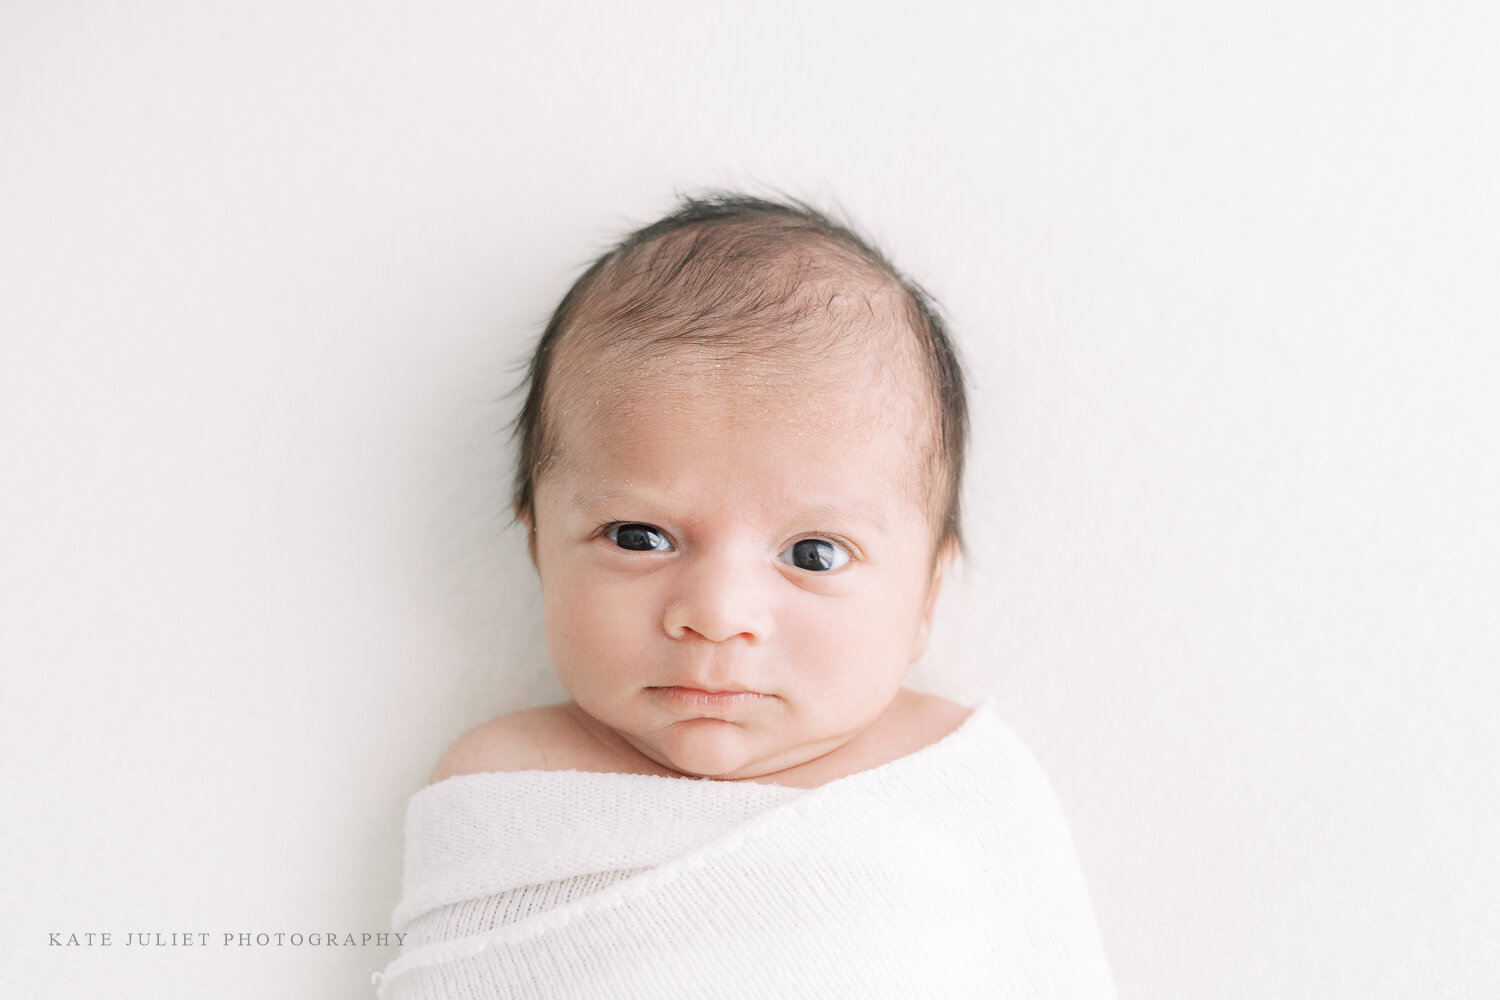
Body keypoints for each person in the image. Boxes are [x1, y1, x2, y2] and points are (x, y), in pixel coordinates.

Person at [374, 194, 1116, 999]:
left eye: (814, 554)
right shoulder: (503, 789)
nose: (718, 613)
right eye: (637, 537)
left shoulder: (955, 778)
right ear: (538, 549)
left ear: (926, 594)